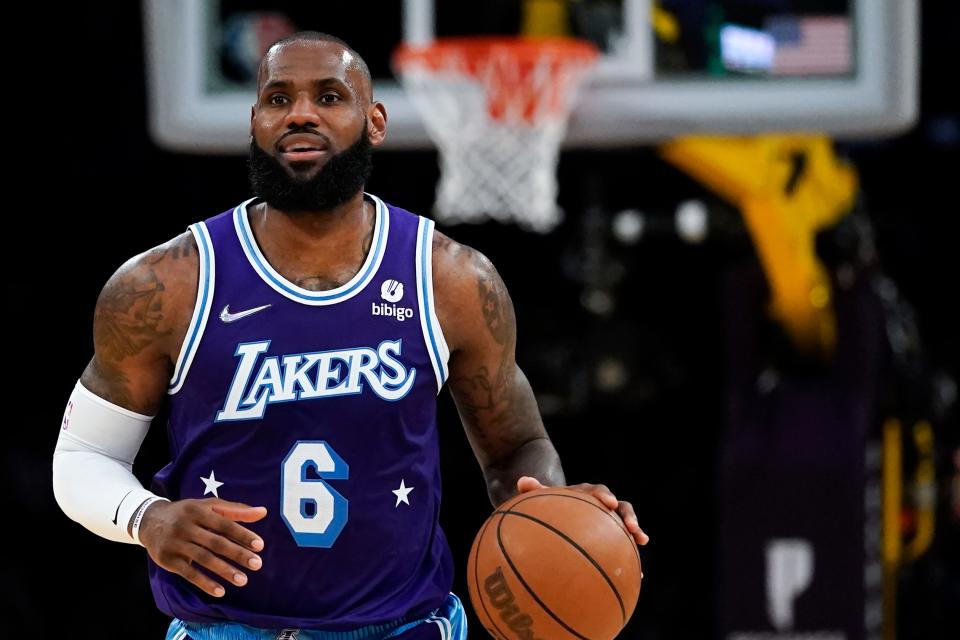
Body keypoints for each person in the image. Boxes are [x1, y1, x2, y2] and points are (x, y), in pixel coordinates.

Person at [52, 31, 648, 640]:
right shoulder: (165, 284)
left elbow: (516, 448)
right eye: (279, 99)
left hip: (405, 628)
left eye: (330, 96)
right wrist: (145, 517)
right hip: (226, 629)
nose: (301, 113)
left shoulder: (450, 280)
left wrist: (558, 509)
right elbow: (83, 458)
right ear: (254, 120)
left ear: (375, 121)